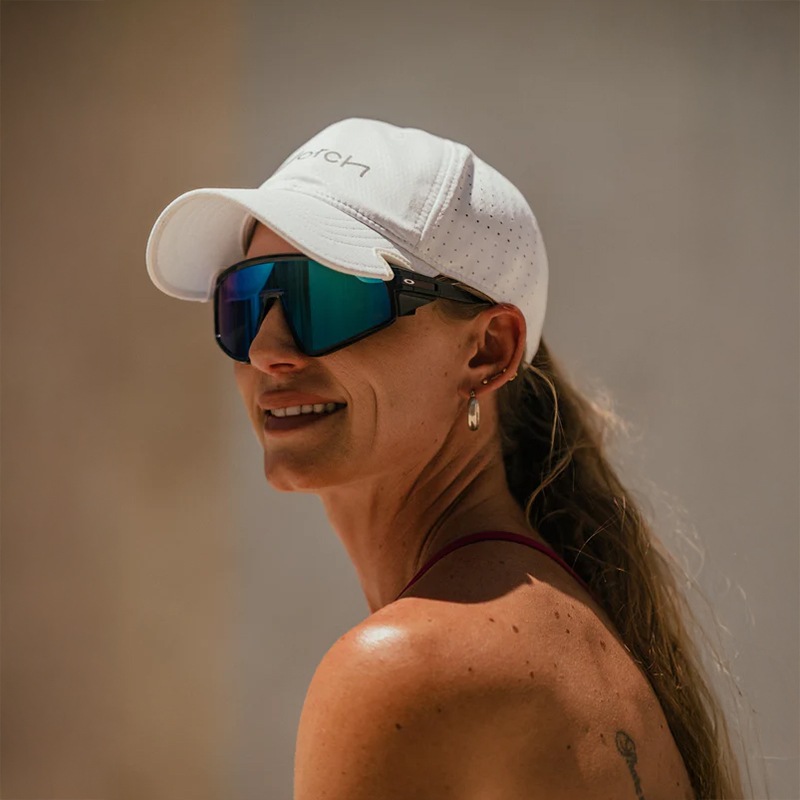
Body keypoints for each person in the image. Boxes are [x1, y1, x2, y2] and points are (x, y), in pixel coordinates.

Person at [146, 118, 745, 799]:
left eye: (330, 296)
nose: (265, 350)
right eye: (245, 302)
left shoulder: (405, 668)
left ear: (488, 351)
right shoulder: (576, 635)